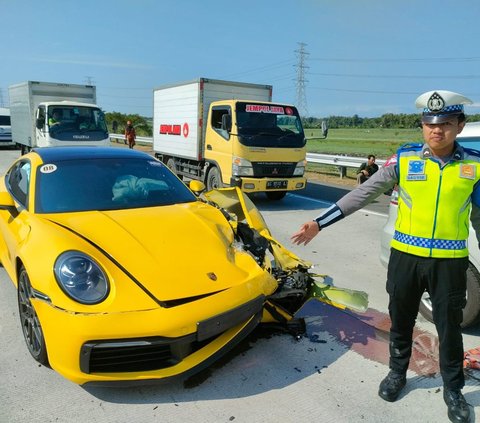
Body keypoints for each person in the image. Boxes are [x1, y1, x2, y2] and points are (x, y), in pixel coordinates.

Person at [291, 90, 478, 423]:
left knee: (449, 328)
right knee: (401, 318)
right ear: (422, 126)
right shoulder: (405, 160)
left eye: (446, 124)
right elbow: (364, 193)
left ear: (460, 126)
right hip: (405, 259)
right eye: (430, 124)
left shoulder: (474, 166)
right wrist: (320, 222)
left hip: (450, 265)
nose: (437, 131)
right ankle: (396, 373)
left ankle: (453, 390)